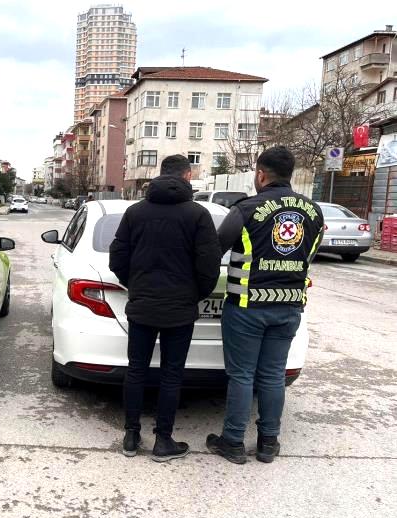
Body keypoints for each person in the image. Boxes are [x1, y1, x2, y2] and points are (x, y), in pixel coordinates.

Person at [206, 146, 324, 464]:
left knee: (242, 375)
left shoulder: (247, 209)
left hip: (246, 306)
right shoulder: (314, 212)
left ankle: (232, 442)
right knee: (272, 376)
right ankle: (268, 443)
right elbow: (309, 255)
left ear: (260, 174)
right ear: (290, 173)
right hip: (289, 307)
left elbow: (215, 248)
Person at [109, 155, 221, 461]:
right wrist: (196, 293)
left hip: (142, 304)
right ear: (187, 176)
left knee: (136, 369)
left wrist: (135, 285)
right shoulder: (198, 215)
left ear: (161, 175)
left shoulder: (135, 212)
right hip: (180, 308)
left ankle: (131, 437)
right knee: (172, 374)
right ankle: (163, 441)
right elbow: (209, 265)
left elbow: (117, 257)